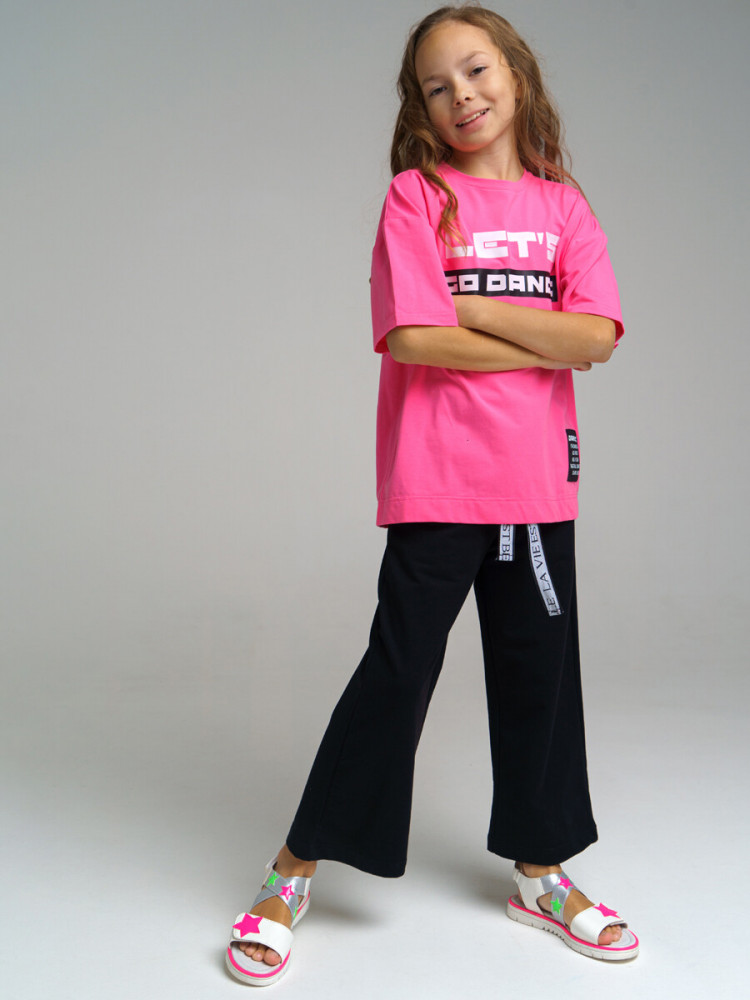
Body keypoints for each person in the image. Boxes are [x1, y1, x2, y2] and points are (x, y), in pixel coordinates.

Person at [226, 3, 639, 984]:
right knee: (398, 672)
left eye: (477, 70)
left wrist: (473, 305)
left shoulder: (564, 208)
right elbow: (412, 338)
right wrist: (538, 332)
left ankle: (542, 871)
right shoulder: (416, 199)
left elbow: (598, 337)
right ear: (421, 106)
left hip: (537, 485)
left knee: (541, 679)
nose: (463, 95)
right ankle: (292, 870)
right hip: (439, 478)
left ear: (516, 73)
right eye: (437, 85)